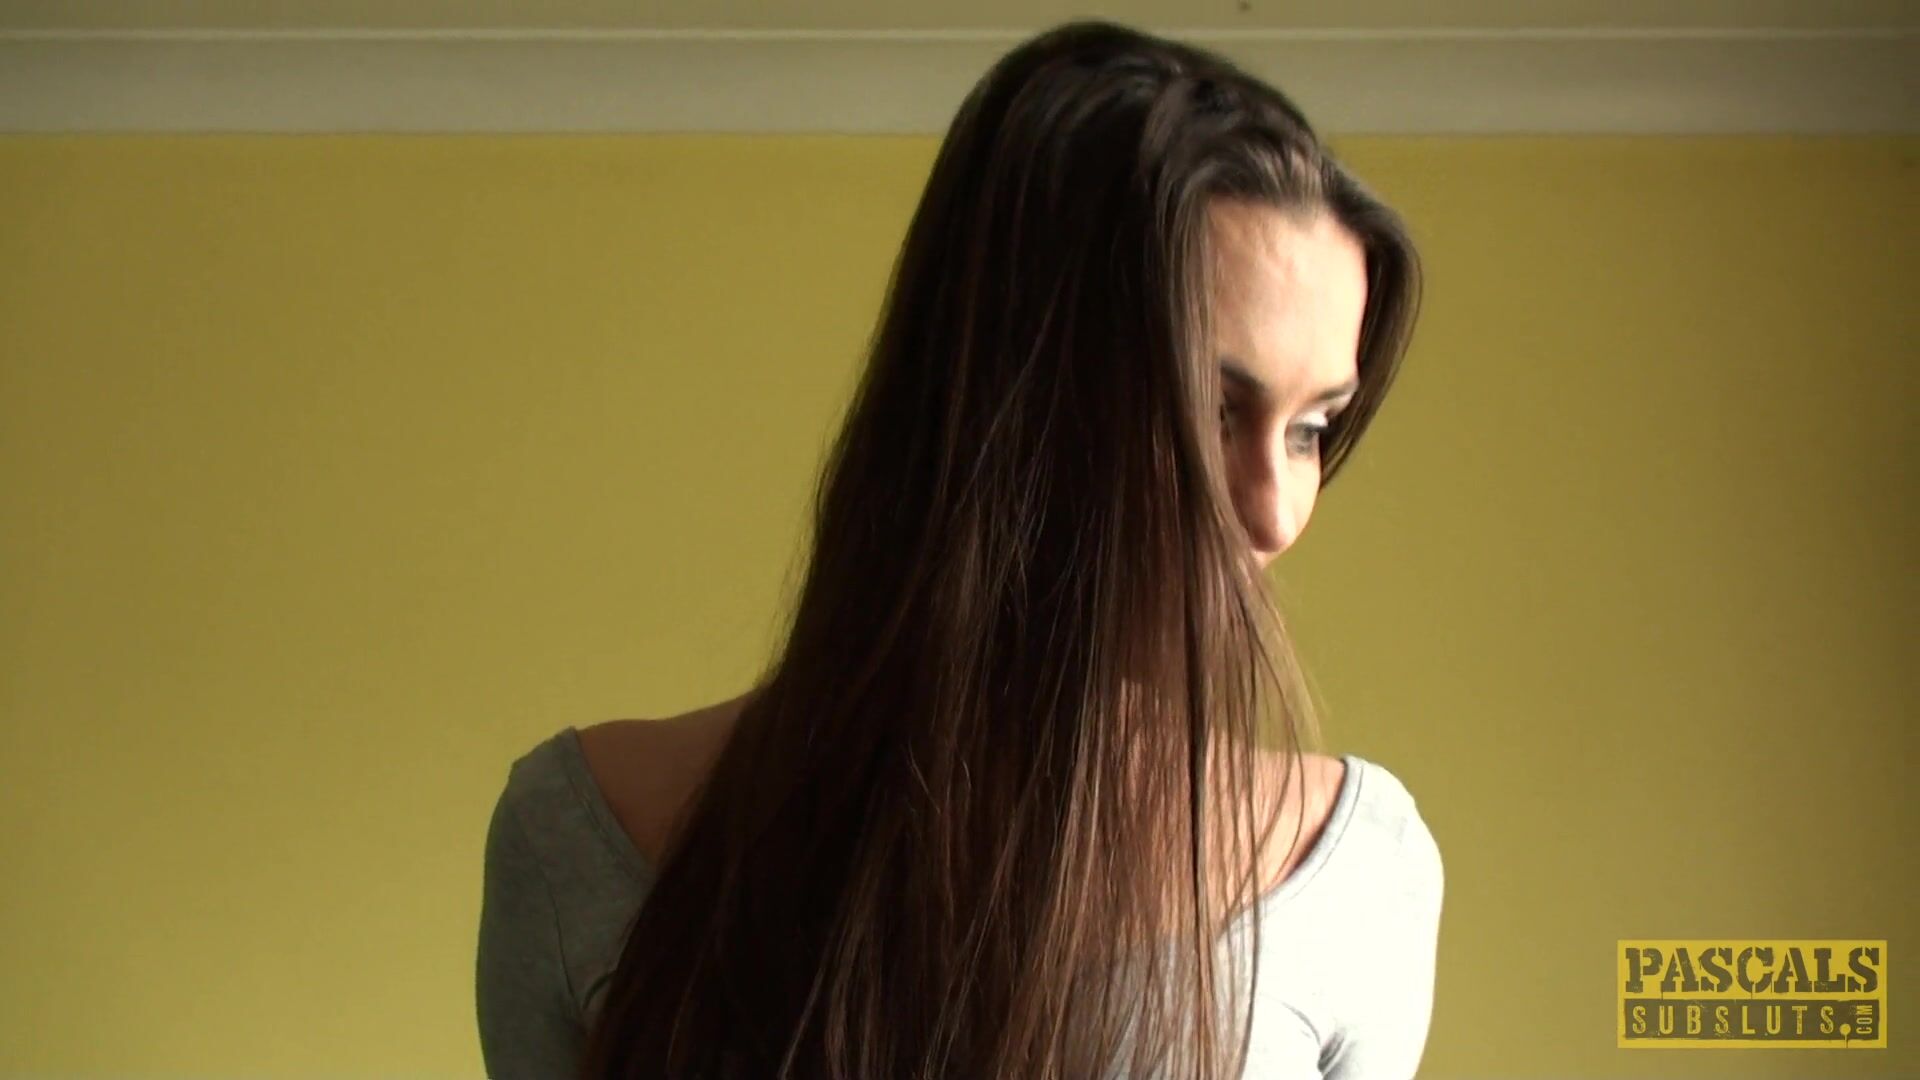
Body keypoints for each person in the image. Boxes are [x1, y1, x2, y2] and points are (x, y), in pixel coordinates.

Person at [477, 18, 1441, 1080]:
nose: (1275, 515)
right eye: (1210, 410)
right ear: (1009, 398)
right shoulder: (582, 843)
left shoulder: (1357, 872)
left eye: (1310, 429)